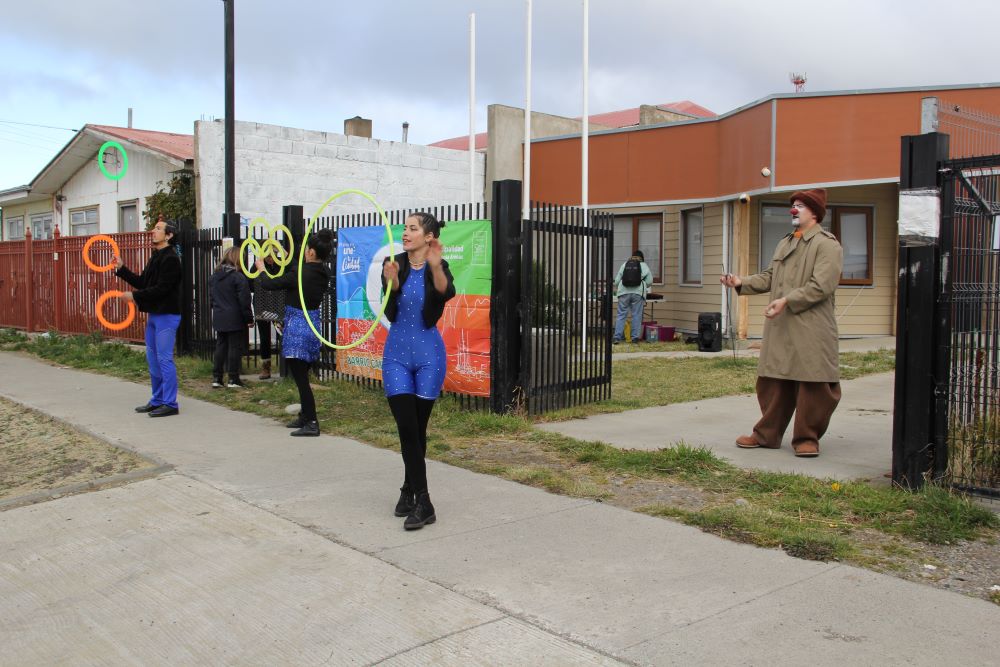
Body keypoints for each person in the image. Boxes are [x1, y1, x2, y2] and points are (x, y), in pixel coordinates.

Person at [720, 188, 843, 457]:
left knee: (814, 383)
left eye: (801, 205)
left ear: (815, 213)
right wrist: (740, 282)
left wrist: (786, 301)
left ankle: (807, 438)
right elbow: (770, 276)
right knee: (773, 381)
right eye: (794, 204)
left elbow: (821, 285)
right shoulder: (785, 242)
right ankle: (766, 435)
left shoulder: (828, 245)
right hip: (781, 325)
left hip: (812, 327)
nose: (794, 209)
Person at [381, 212, 456, 530]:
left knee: (417, 430)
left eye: (412, 228)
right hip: (396, 356)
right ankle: (424, 501)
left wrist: (436, 265)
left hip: (429, 357)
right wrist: (392, 282)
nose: (405, 233)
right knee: (407, 428)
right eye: (404, 228)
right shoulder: (393, 263)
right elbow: (390, 306)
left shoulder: (439, 265)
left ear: (428, 237)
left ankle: (408, 490)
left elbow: (444, 292)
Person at [255, 229, 332, 437]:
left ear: (312, 252)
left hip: (297, 329)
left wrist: (261, 269)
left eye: (307, 249)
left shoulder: (299, 273)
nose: (305, 251)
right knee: (302, 375)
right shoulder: (323, 273)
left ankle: (312, 422)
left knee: (301, 380)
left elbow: (269, 284)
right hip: (312, 327)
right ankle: (305, 416)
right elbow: (299, 273)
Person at [113, 215, 184, 418]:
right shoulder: (156, 256)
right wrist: (122, 269)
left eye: (158, 228)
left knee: (164, 359)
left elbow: (162, 289)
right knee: (153, 359)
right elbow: (143, 282)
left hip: (167, 316)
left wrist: (134, 296)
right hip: (155, 314)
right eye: (154, 228)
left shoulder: (171, 259)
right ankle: (157, 400)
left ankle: (170, 403)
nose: (153, 231)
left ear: (169, 235)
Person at [210, 246, 253, 388]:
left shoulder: (214, 277)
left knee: (220, 346)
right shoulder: (238, 277)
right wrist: (249, 319)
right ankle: (233, 378)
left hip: (219, 315)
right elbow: (244, 300)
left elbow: (211, 298)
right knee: (234, 347)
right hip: (234, 316)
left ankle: (217, 378)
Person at [252, 254, 284, 380]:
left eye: (272, 256)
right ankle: (266, 367)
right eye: (268, 256)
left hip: (278, 304)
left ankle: (287, 365)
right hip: (262, 304)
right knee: (264, 337)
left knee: (282, 333)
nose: (270, 259)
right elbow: (250, 283)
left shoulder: (281, 264)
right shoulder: (258, 264)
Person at [613, 249, 652, 343]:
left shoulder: (625, 264)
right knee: (636, 315)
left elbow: (617, 281)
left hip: (623, 292)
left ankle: (617, 337)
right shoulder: (644, 265)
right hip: (638, 293)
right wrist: (642, 284)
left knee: (621, 314)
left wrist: (621, 286)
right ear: (642, 258)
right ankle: (635, 338)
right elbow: (649, 281)